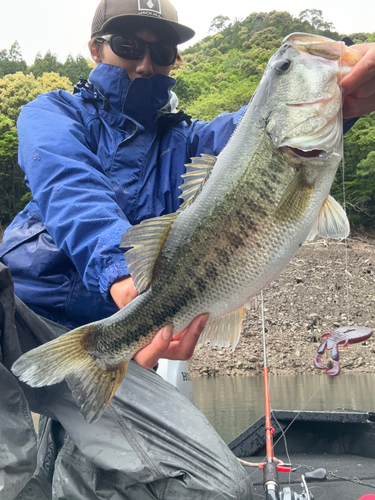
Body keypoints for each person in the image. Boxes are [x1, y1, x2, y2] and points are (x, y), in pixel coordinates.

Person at [0, 0, 374, 497]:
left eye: (163, 51)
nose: (144, 63)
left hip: (112, 335)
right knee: (10, 466)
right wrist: (121, 275)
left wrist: (340, 103)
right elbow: (70, 188)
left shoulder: (190, 141)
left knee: (220, 486)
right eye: (129, 46)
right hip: (20, 306)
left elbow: (260, 131)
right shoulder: (51, 112)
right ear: (95, 49)